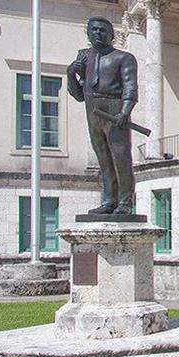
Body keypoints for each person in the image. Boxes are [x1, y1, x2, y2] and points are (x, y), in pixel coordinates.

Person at [67, 16, 138, 215]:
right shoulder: (84, 57)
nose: (98, 33)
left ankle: (125, 202)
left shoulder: (123, 57)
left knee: (121, 157)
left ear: (112, 35)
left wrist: (125, 111)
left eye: (102, 30)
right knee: (103, 157)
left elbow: (130, 87)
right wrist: (71, 74)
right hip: (92, 108)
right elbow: (78, 95)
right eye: (94, 29)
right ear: (88, 34)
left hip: (114, 107)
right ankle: (109, 200)